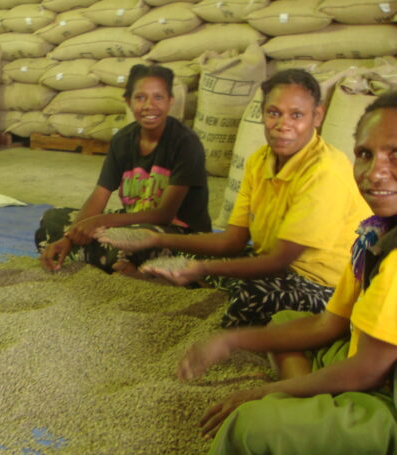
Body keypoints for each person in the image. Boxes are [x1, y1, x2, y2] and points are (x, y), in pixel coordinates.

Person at [175, 91, 397, 454]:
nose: (375, 172)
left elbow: (367, 371)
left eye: (395, 154)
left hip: (386, 396)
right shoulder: (377, 234)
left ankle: (307, 408)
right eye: (365, 154)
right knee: (284, 321)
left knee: (250, 425)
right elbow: (327, 325)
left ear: (317, 118)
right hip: (366, 357)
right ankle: (309, 403)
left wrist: (263, 392)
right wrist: (230, 341)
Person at [98, 69, 371, 327]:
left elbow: (280, 260)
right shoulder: (258, 161)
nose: (282, 125)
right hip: (271, 264)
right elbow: (233, 240)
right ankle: (194, 288)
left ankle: (200, 294)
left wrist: (198, 269)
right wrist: (155, 238)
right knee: (184, 249)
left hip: (324, 285)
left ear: (318, 116)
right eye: (273, 113)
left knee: (252, 293)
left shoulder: (325, 171)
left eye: (296, 115)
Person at [36, 64, 211, 274]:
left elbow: (164, 215)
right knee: (52, 220)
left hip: (177, 233)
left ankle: (114, 259)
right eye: (140, 98)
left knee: (135, 240)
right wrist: (70, 237)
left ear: (170, 101)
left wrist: (103, 221)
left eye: (158, 97)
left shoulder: (185, 143)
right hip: (131, 223)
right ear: (128, 101)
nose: (149, 105)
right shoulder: (122, 141)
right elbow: (99, 196)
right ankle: (117, 261)